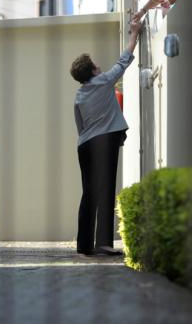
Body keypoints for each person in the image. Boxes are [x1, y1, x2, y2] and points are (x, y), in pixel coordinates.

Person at [70, 18, 143, 256]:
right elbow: (123, 63)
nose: (99, 66)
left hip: (85, 145)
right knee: (106, 189)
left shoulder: (79, 96)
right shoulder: (102, 82)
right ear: (92, 71)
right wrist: (134, 35)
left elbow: (80, 126)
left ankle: (84, 245)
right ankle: (103, 244)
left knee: (89, 192)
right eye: (95, 64)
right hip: (104, 143)